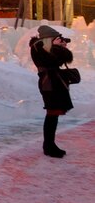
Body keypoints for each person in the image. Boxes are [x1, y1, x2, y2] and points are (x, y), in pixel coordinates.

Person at [29, 25, 75, 158]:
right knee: (51, 114)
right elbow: (51, 62)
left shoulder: (45, 47)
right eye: (57, 38)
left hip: (54, 83)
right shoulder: (37, 47)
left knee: (53, 115)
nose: (60, 40)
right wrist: (58, 48)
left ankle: (50, 144)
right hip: (48, 84)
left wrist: (59, 47)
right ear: (49, 38)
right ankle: (48, 146)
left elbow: (59, 61)